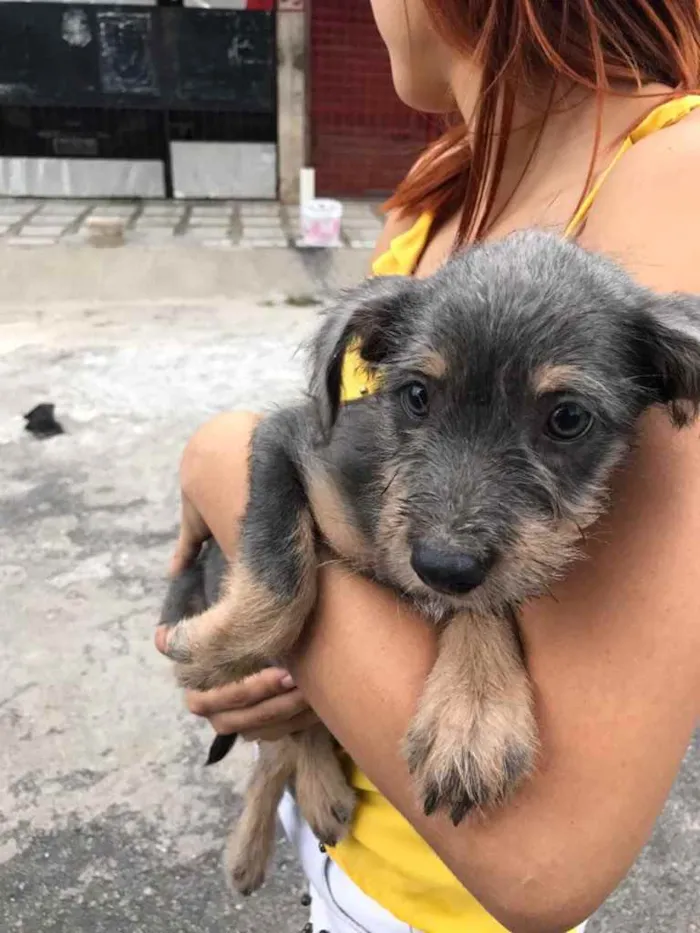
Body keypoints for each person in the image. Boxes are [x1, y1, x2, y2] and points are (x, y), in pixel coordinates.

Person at [155, 2, 700, 931]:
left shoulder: (677, 178)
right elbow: (342, 494)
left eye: (563, 418)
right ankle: (284, 781)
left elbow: (542, 858)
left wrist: (216, 459)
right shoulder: (437, 185)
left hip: (438, 902)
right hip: (346, 833)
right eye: (417, 397)